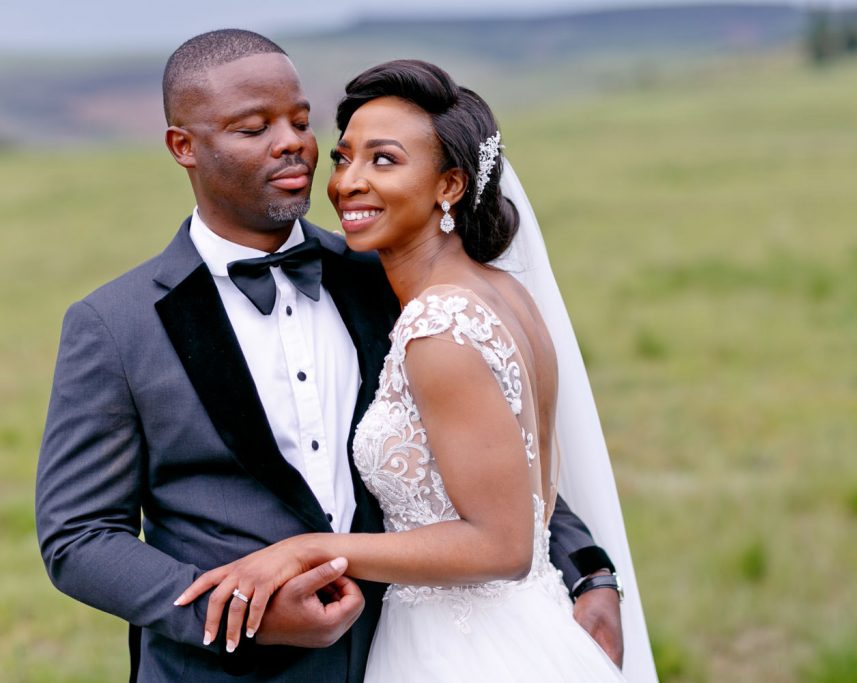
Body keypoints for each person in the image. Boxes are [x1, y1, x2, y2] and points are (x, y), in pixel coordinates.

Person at [35, 31, 623, 682]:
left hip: (399, 655)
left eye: (300, 120)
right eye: (254, 127)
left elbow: (484, 447)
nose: (292, 142)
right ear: (184, 147)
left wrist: (587, 565)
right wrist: (237, 609)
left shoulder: (384, 278)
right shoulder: (115, 326)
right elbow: (78, 536)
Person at [174, 59, 655, 681]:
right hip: (520, 623)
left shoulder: (440, 327)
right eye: (344, 157)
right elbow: (512, 467)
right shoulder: (500, 291)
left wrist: (308, 550)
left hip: (463, 648)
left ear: (449, 186)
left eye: (384, 160)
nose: (347, 183)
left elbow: (502, 543)